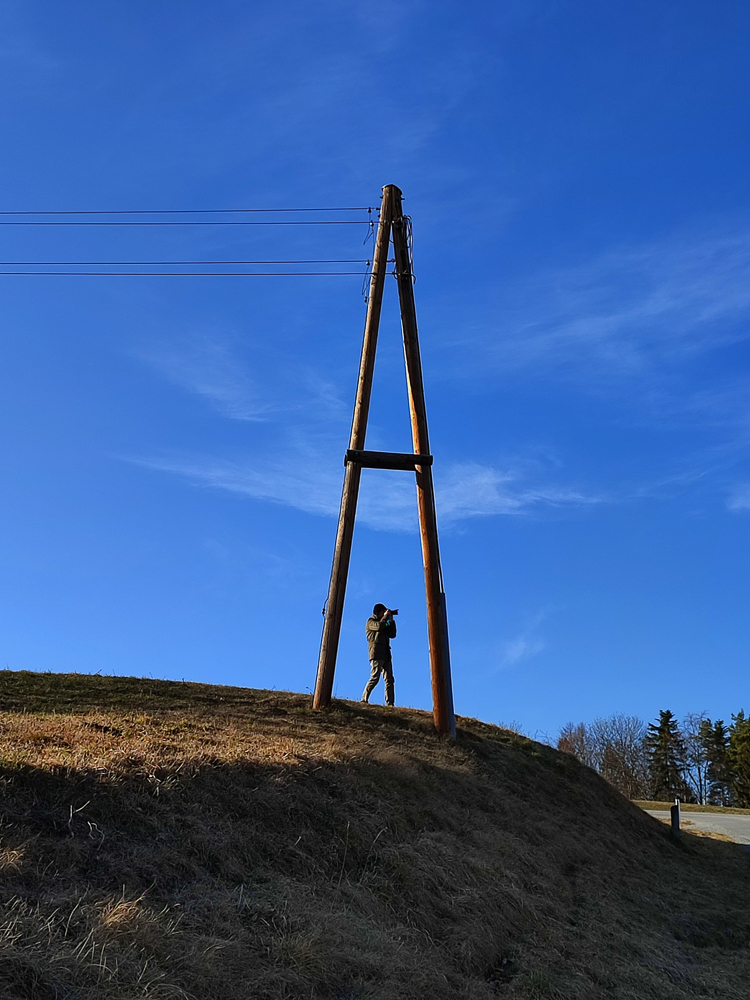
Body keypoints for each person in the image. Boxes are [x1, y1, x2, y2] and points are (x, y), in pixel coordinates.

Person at [362, 603, 398, 706]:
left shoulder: (385, 621)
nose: (385, 613)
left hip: (386, 654)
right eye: (383, 611)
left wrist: (391, 621)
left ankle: (390, 703)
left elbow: (392, 634)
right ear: (378, 612)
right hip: (376, 654)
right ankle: (364, 698)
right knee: (375, 677)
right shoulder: (371, 622)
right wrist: (386, 618)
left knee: (389, 680)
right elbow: (379, 627)